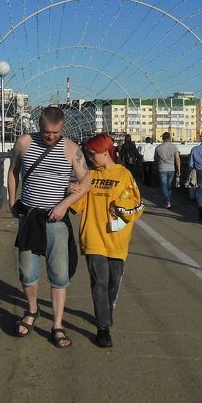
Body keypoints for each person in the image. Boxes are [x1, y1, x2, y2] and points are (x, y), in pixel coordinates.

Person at [7, 106, 90, 348]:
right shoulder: (24, 143)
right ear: (39, 126)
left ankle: (57, 325)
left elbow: (86, 182)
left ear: (62, 128)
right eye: (46, 132)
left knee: (59, 275)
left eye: (55, 132)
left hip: (56, 220)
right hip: (30, 217)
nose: (51, 136)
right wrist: (12, 202)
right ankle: (32, 310)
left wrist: (65, 204)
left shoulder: (71, 149)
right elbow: (13, 172)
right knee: (27, 272)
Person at [71, 133, 143, 348]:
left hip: (117, 238)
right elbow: (77, 205)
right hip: (92, 235)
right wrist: (71, 192)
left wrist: (120, 205)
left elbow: (135, 202)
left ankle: (106, 309)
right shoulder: (88, 175)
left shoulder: (124, 174)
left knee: (113, 282)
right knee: (99, 283)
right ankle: (103, 329)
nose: (90, 157)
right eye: (88, 153)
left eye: (93, 153)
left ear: (105, 151)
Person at [154, 132, 181, 209]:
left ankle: (167, 200)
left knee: (164, 186)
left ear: (162, 138)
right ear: (169, 138)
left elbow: (155, 158)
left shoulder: (158, 148)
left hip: (162, 168)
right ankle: (168, 200)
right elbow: (177, 158)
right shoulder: (174, 147)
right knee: (169, 185)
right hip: (171, 169)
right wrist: (179, 170)